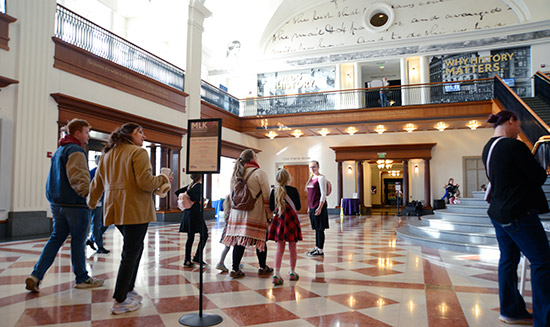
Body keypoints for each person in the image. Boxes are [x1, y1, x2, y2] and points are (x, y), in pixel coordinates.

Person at [88, 123, 171, 315]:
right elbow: (145, 182)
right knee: (130, 252)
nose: (143, 135)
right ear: (129, 135)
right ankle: (120, 298)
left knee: (135, 248)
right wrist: (163, 178)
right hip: (134, 209)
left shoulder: (108, 154)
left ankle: (129, 288)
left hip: (115, 210)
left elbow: (97, 183)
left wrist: (91, 202)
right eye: (140, 132)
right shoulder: (138, 153)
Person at [482, 110, 550, 326]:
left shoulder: (488, 147)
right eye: (518, 124)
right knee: (543, 262)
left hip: (498, 212)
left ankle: (511, 310)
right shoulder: (514, 146)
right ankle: (544, 319)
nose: (520, 129)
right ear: (510, 121)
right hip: (518, 213)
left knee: (508, 260)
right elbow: (539, 176)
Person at [25, 119, 104, 293]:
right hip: (74, 204)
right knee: (78, 240)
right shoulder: (75, 150)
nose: (88, 136)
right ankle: (82, 277)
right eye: (86, 132)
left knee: (56, 238)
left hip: (57, 202)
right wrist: (88, 198)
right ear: (77, 133)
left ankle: (36, 275)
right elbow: (79, 178)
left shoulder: (60, 150)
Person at [222, 149, 272, 278]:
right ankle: (262, 266)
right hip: (254, 213)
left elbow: (231, 195)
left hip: (237, 213)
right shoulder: (259, 173)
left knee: (239, 241)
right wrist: (269, 215)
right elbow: (267, 196)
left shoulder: (236, 174)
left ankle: (234, 269)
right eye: (256, 156)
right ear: (253, 158)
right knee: (261, 240)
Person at [268, 168, 302, 285]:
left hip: (279, 220)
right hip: (291, 220)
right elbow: (298, 206)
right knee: (293, 247)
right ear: (288, 179)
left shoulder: (274, 191)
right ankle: (292, 272)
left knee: (279, 248)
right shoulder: (293, 190)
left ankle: (276, 274)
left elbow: (271, 207)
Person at [175, 173, 208, 268]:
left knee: (190, 237)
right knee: (204, 234)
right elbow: (193, 196)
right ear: (201, 177)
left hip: (188, 213)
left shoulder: (190, 186)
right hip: (195, 214)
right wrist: (199, 199)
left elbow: (178, 192)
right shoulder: (199, 186)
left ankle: (187, 260)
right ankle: (197, 256)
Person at [86, 154, 110, 254]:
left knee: (106, 223)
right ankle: (100, 246)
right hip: (97, 201)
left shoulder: (108, 173)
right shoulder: (92, 172)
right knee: (96, 224)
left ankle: (91, 239)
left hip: (105, 200)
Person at [306, 160, 329, 256]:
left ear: (318, 167)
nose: (312, 169)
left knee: (320, 228)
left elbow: (323, 194)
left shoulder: (321, 178)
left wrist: (319, 207)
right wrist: (308, 207)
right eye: (311, 167)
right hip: (312, 207)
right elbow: (310, 195)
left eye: (314, 167)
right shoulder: (311, 178)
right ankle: (316, 247)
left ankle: (320, 250)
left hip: (319, 206)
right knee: (316, 228)